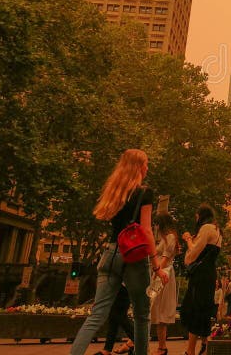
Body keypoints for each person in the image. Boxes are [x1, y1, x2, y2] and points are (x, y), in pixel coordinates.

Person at [71, 149, 169, 355]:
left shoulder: (115, 191)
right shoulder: (144, 193)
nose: (148, 167)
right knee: (142, 315)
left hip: (110, 253)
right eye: (146, 164)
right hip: (133, 257)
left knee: (96, 315)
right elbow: (146, 230)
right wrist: (156, 265)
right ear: (138, 167)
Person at [180, 204, 222, 355]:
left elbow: (193, 253)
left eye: (197, 216)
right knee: (204, 310)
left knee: (194, 309)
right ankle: (204, 346)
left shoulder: (206, 229)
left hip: (200, 275)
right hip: (210, 274)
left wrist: (188, 240)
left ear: (201, 216)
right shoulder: (218, 230)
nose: (195, 219)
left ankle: (190, 350)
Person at [151, 213, 178, 355]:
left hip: (163, 275)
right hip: (161, 274)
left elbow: (165, 259)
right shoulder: (165, 238)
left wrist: (156, 272)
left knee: (159, 311)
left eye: (156, 224)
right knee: (155, 311)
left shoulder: (170, 238)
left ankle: (162, 347)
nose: (155, 226)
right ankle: (161, 347)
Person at [92, 285, 134, 355]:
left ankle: (138, 341)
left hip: (123, 282)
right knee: (113, 317)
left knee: (119, 315)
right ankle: (107, 349)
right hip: (119, 283)